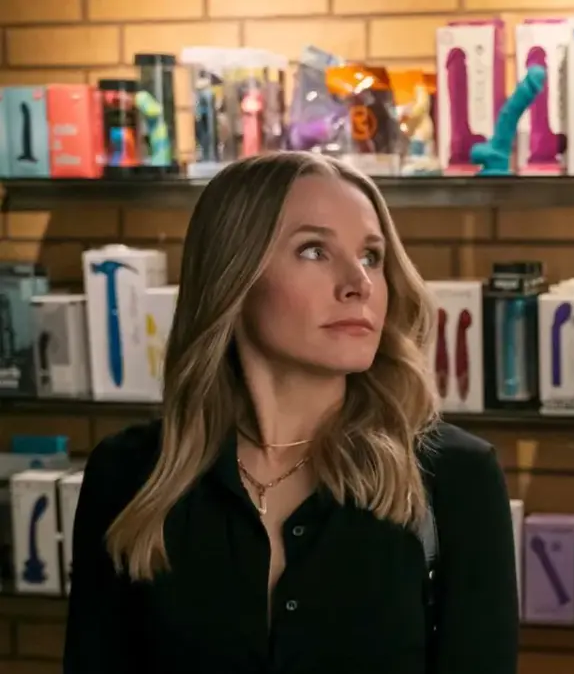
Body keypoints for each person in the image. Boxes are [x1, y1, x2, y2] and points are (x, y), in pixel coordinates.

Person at [64, 152, 519, 674]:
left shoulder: (455, 478)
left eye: (371, 256)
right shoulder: (128, 475)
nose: (359, 283)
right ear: (234, 275)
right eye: (314, 251)